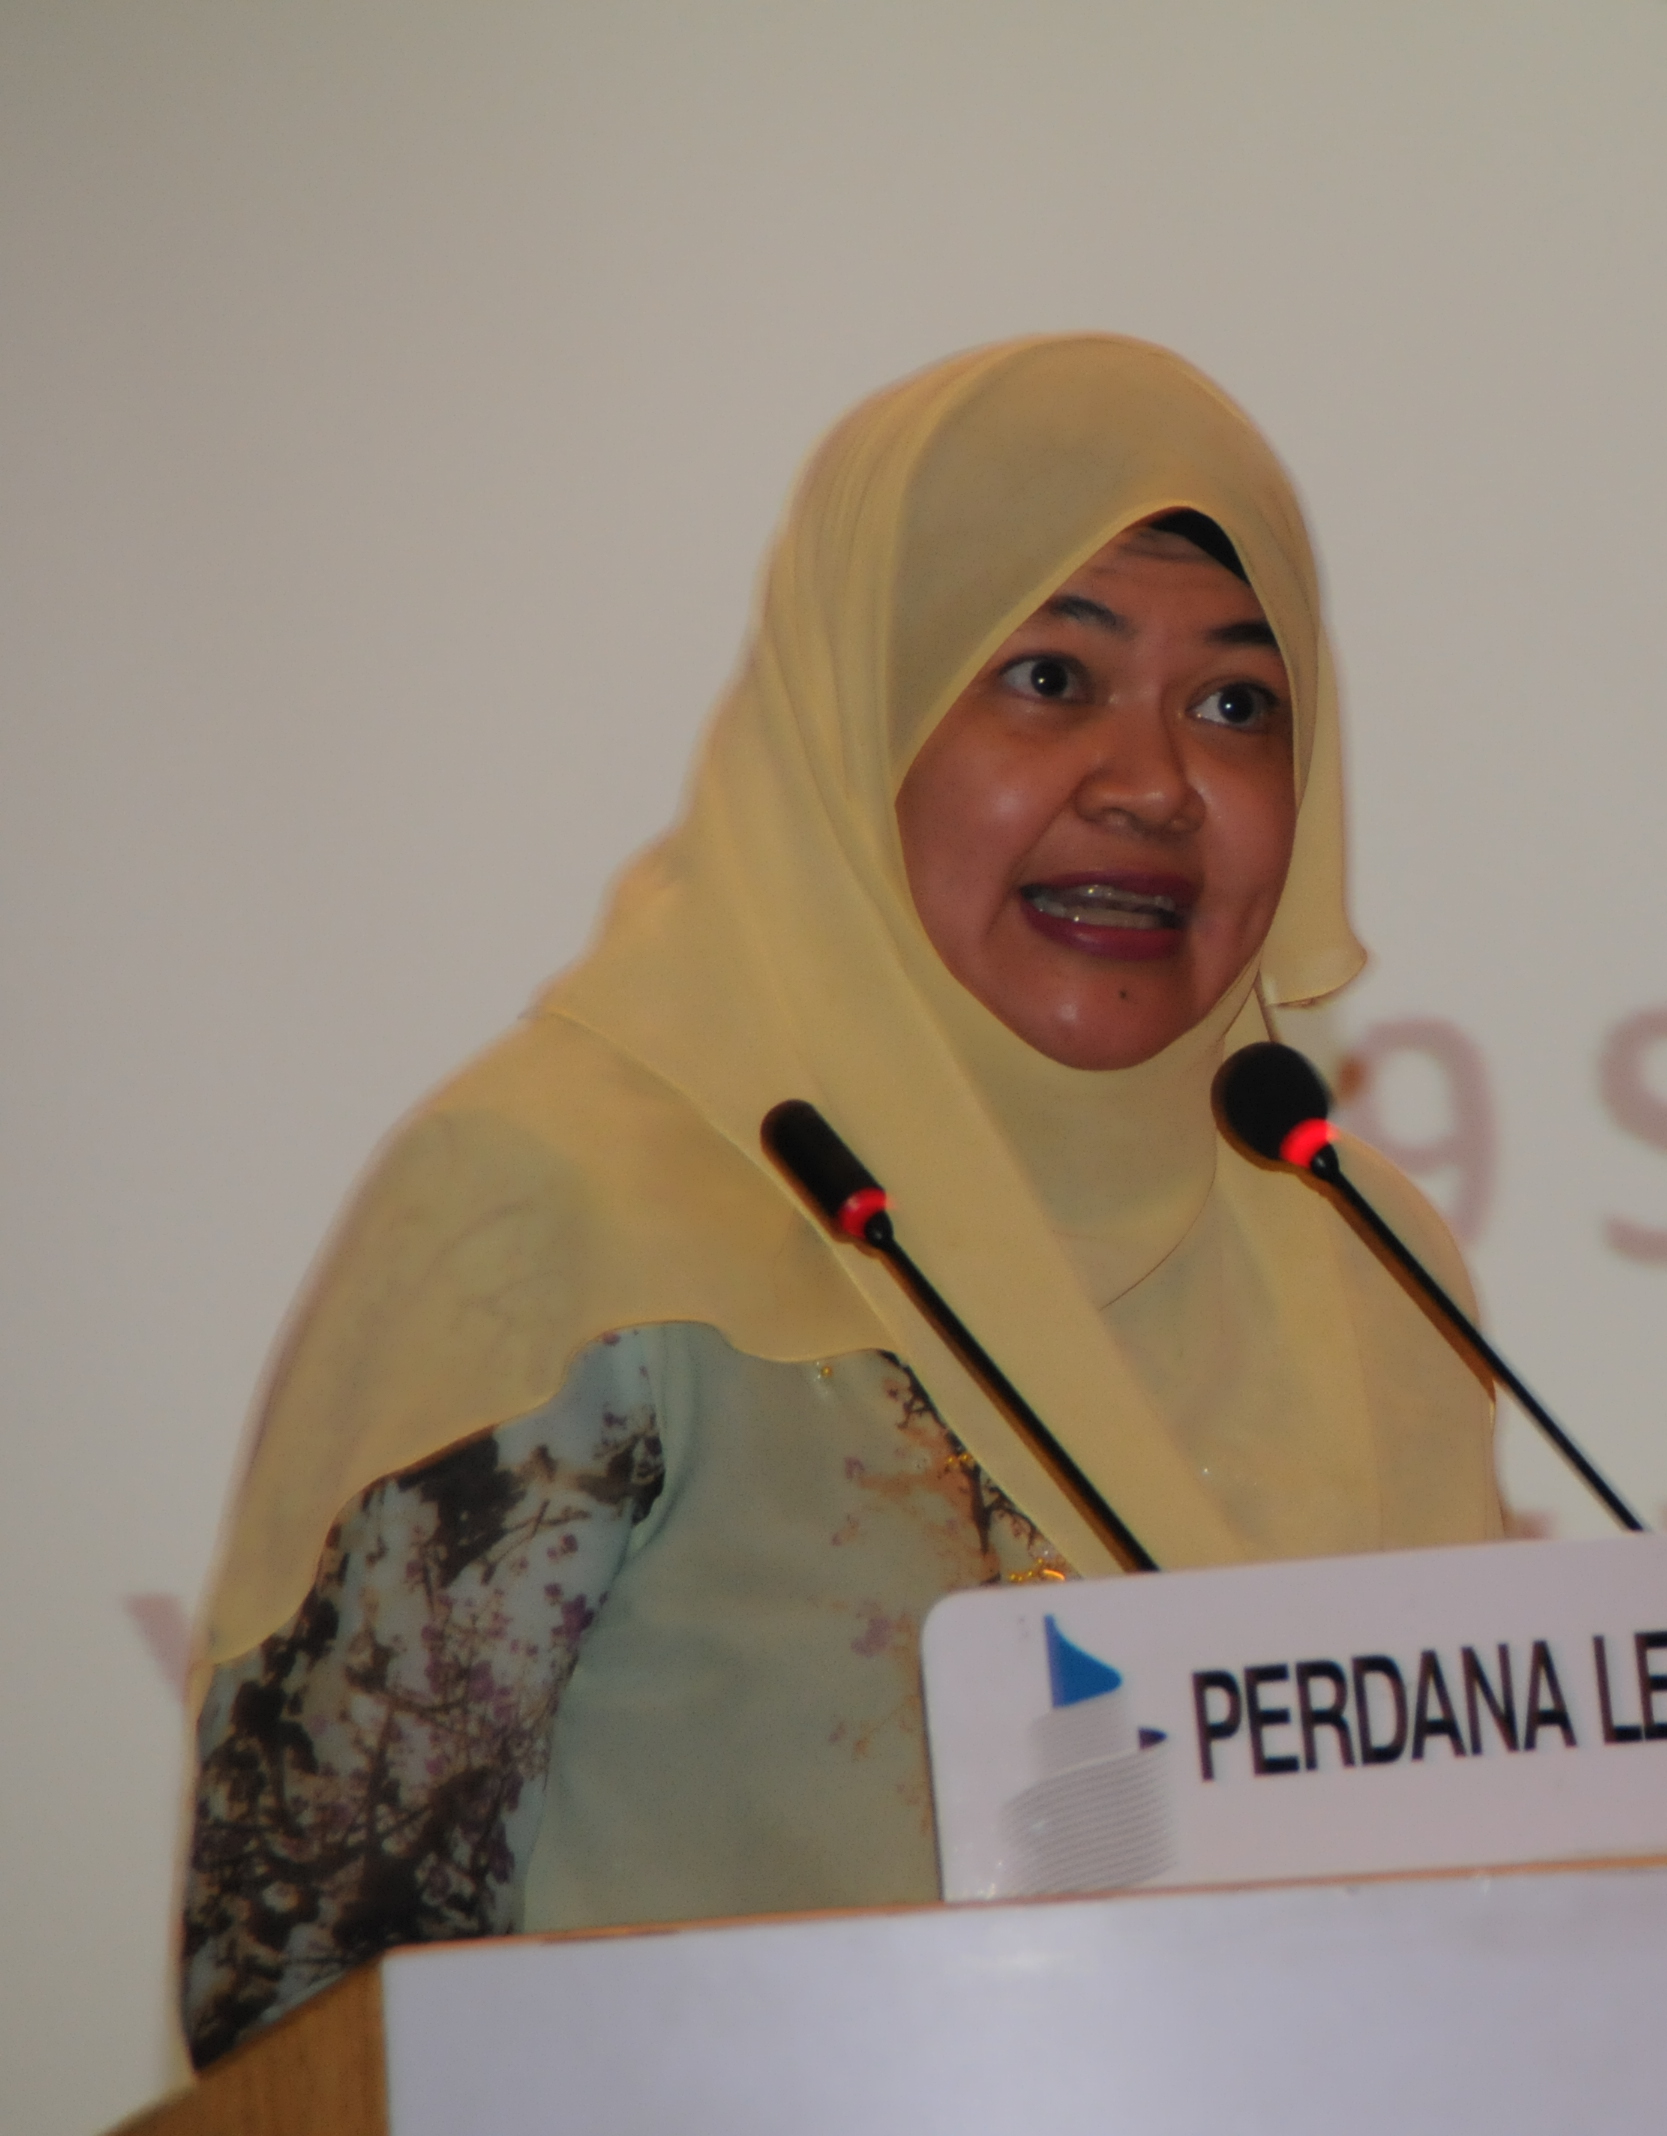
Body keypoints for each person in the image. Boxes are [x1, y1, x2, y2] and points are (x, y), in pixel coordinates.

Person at [176, 337, 1506, 2067]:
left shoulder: (1358, 1252)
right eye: (1048, 676)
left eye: (1239, 705)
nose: (1154, 781)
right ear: (851, 720)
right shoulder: (568, 1208)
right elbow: (309, 2015)